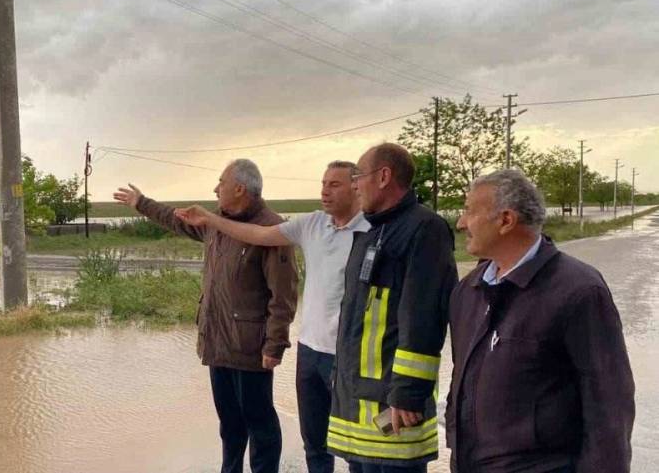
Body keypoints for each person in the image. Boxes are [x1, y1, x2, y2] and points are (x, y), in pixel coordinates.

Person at [175, 161, 369, 473]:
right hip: (305, 350)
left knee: (358, 444)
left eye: (334, 184)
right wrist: (206, 218)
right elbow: (255, 233)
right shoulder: (313, 225)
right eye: (323, 182)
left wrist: (274, 341)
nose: (324, 190)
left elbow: (284, 292)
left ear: (358, 187)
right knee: (314, 443)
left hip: (347, 354)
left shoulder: (374, 232)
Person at [113, 159, 297, 473]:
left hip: (251, 346)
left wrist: (274, 343)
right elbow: (178, 221)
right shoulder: (215, 222)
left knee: (259, 420)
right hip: (217, 340)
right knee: (229, 422)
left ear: (239, 189)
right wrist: (141, 203)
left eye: (221, 182)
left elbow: (284, 294)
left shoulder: (271, 228)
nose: (215, 188)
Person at [448, 169, 634, 472]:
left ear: (506, 220)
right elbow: (462, 385)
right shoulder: (468, 290)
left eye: (469, 211)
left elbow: (609, 406)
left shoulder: (578, 290)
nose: (461, 223)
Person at [328, 143, 457, 472]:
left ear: (384, 176)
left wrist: (409, 394)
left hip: (395, 407)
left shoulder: (425, 229)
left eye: (358, 175)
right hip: (360, 406)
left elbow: (423, 319)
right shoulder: (372, 231)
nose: (355, 184)